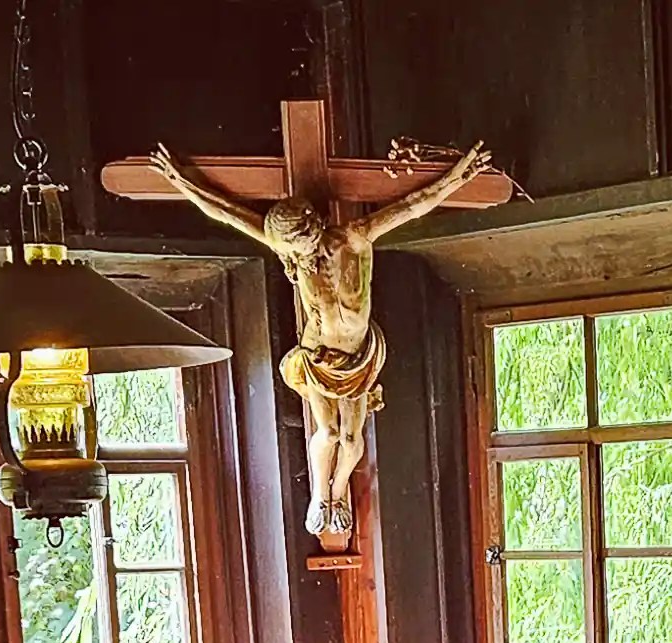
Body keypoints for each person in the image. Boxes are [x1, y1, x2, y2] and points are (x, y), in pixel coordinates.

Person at [150, 140, 493, 544]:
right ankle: (318, 496)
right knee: (328, 434)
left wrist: (456, 177)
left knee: (351, 439)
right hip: (316, 356)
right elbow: (227, 214)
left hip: (360, 354)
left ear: (312, 229)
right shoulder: (290, 248)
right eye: (290, 249)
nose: (296, 255)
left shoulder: (354, 239)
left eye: (300, 245)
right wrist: (181, 183)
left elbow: (414, 205)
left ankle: (336, 492)